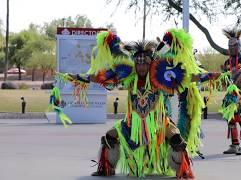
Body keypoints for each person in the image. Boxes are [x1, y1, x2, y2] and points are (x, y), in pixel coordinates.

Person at [59, 29, 219, 178]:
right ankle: (106, 168)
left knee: (177, 141)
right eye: (139, 63)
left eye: (145, 63)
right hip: (131, 124)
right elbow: (99, 77)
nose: (141, 66)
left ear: (150, 63)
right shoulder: (128, 78)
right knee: (109, 137)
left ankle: (182, 171)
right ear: (135, 64)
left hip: (159, 124)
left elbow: (188, 77)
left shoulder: (159, 78)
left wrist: (213, 75)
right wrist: (78, 77)